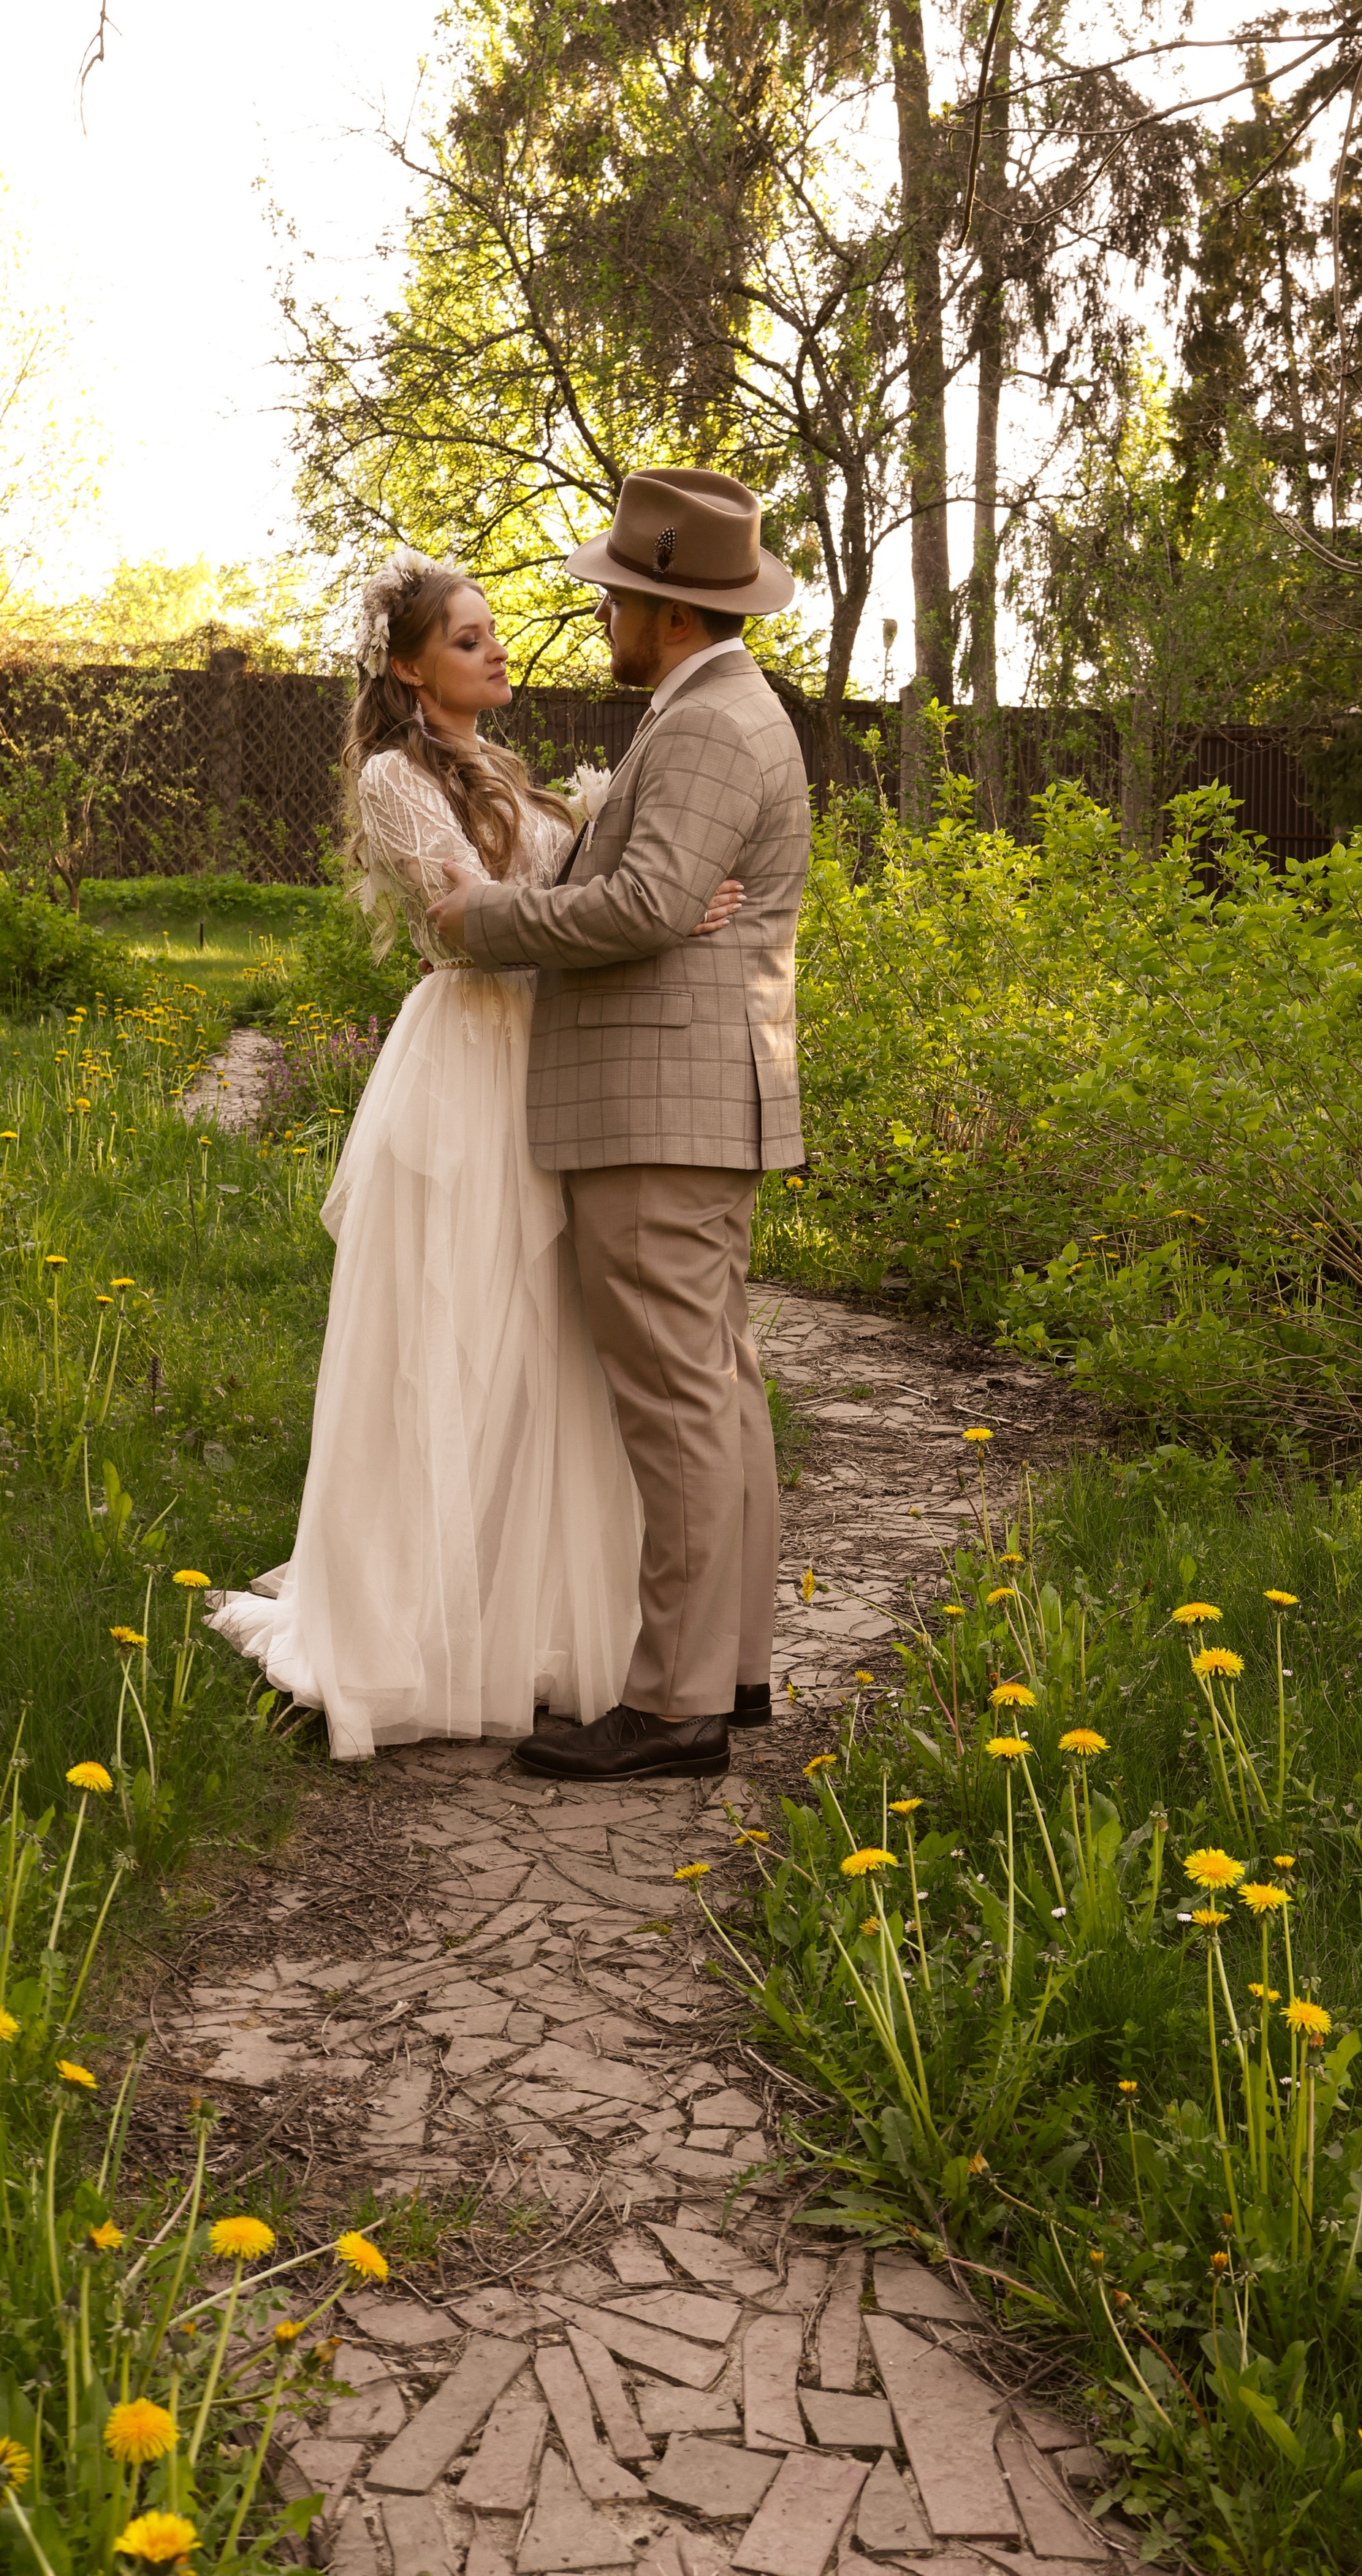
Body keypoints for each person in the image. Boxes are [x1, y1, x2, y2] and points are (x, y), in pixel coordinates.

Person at [207, 549, 745, 1756]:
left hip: (543, 1062)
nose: (498, 649)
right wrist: (640, 918)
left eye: (492, 633)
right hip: (464, 1067)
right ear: (407, 669)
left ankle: (525, 1615)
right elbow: (476, 926)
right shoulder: (398, 780)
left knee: (545, 1337)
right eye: (466, 638)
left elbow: (575, 896)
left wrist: (656, 885)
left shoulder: (501, 767)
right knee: (449, 1328)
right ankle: (409, 1619)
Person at [426, 465, 810, 1786]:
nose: (604, 619)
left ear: (669, 608)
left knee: (678, 1401)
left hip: (662, 1104)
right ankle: (732, 1674)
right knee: (717, 1388)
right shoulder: (707, 709)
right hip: (689, 1097)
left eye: (619, 599)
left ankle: (676, 1704)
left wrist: (482, 922)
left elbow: (646, 907)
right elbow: (656, 895)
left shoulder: (708, 725)